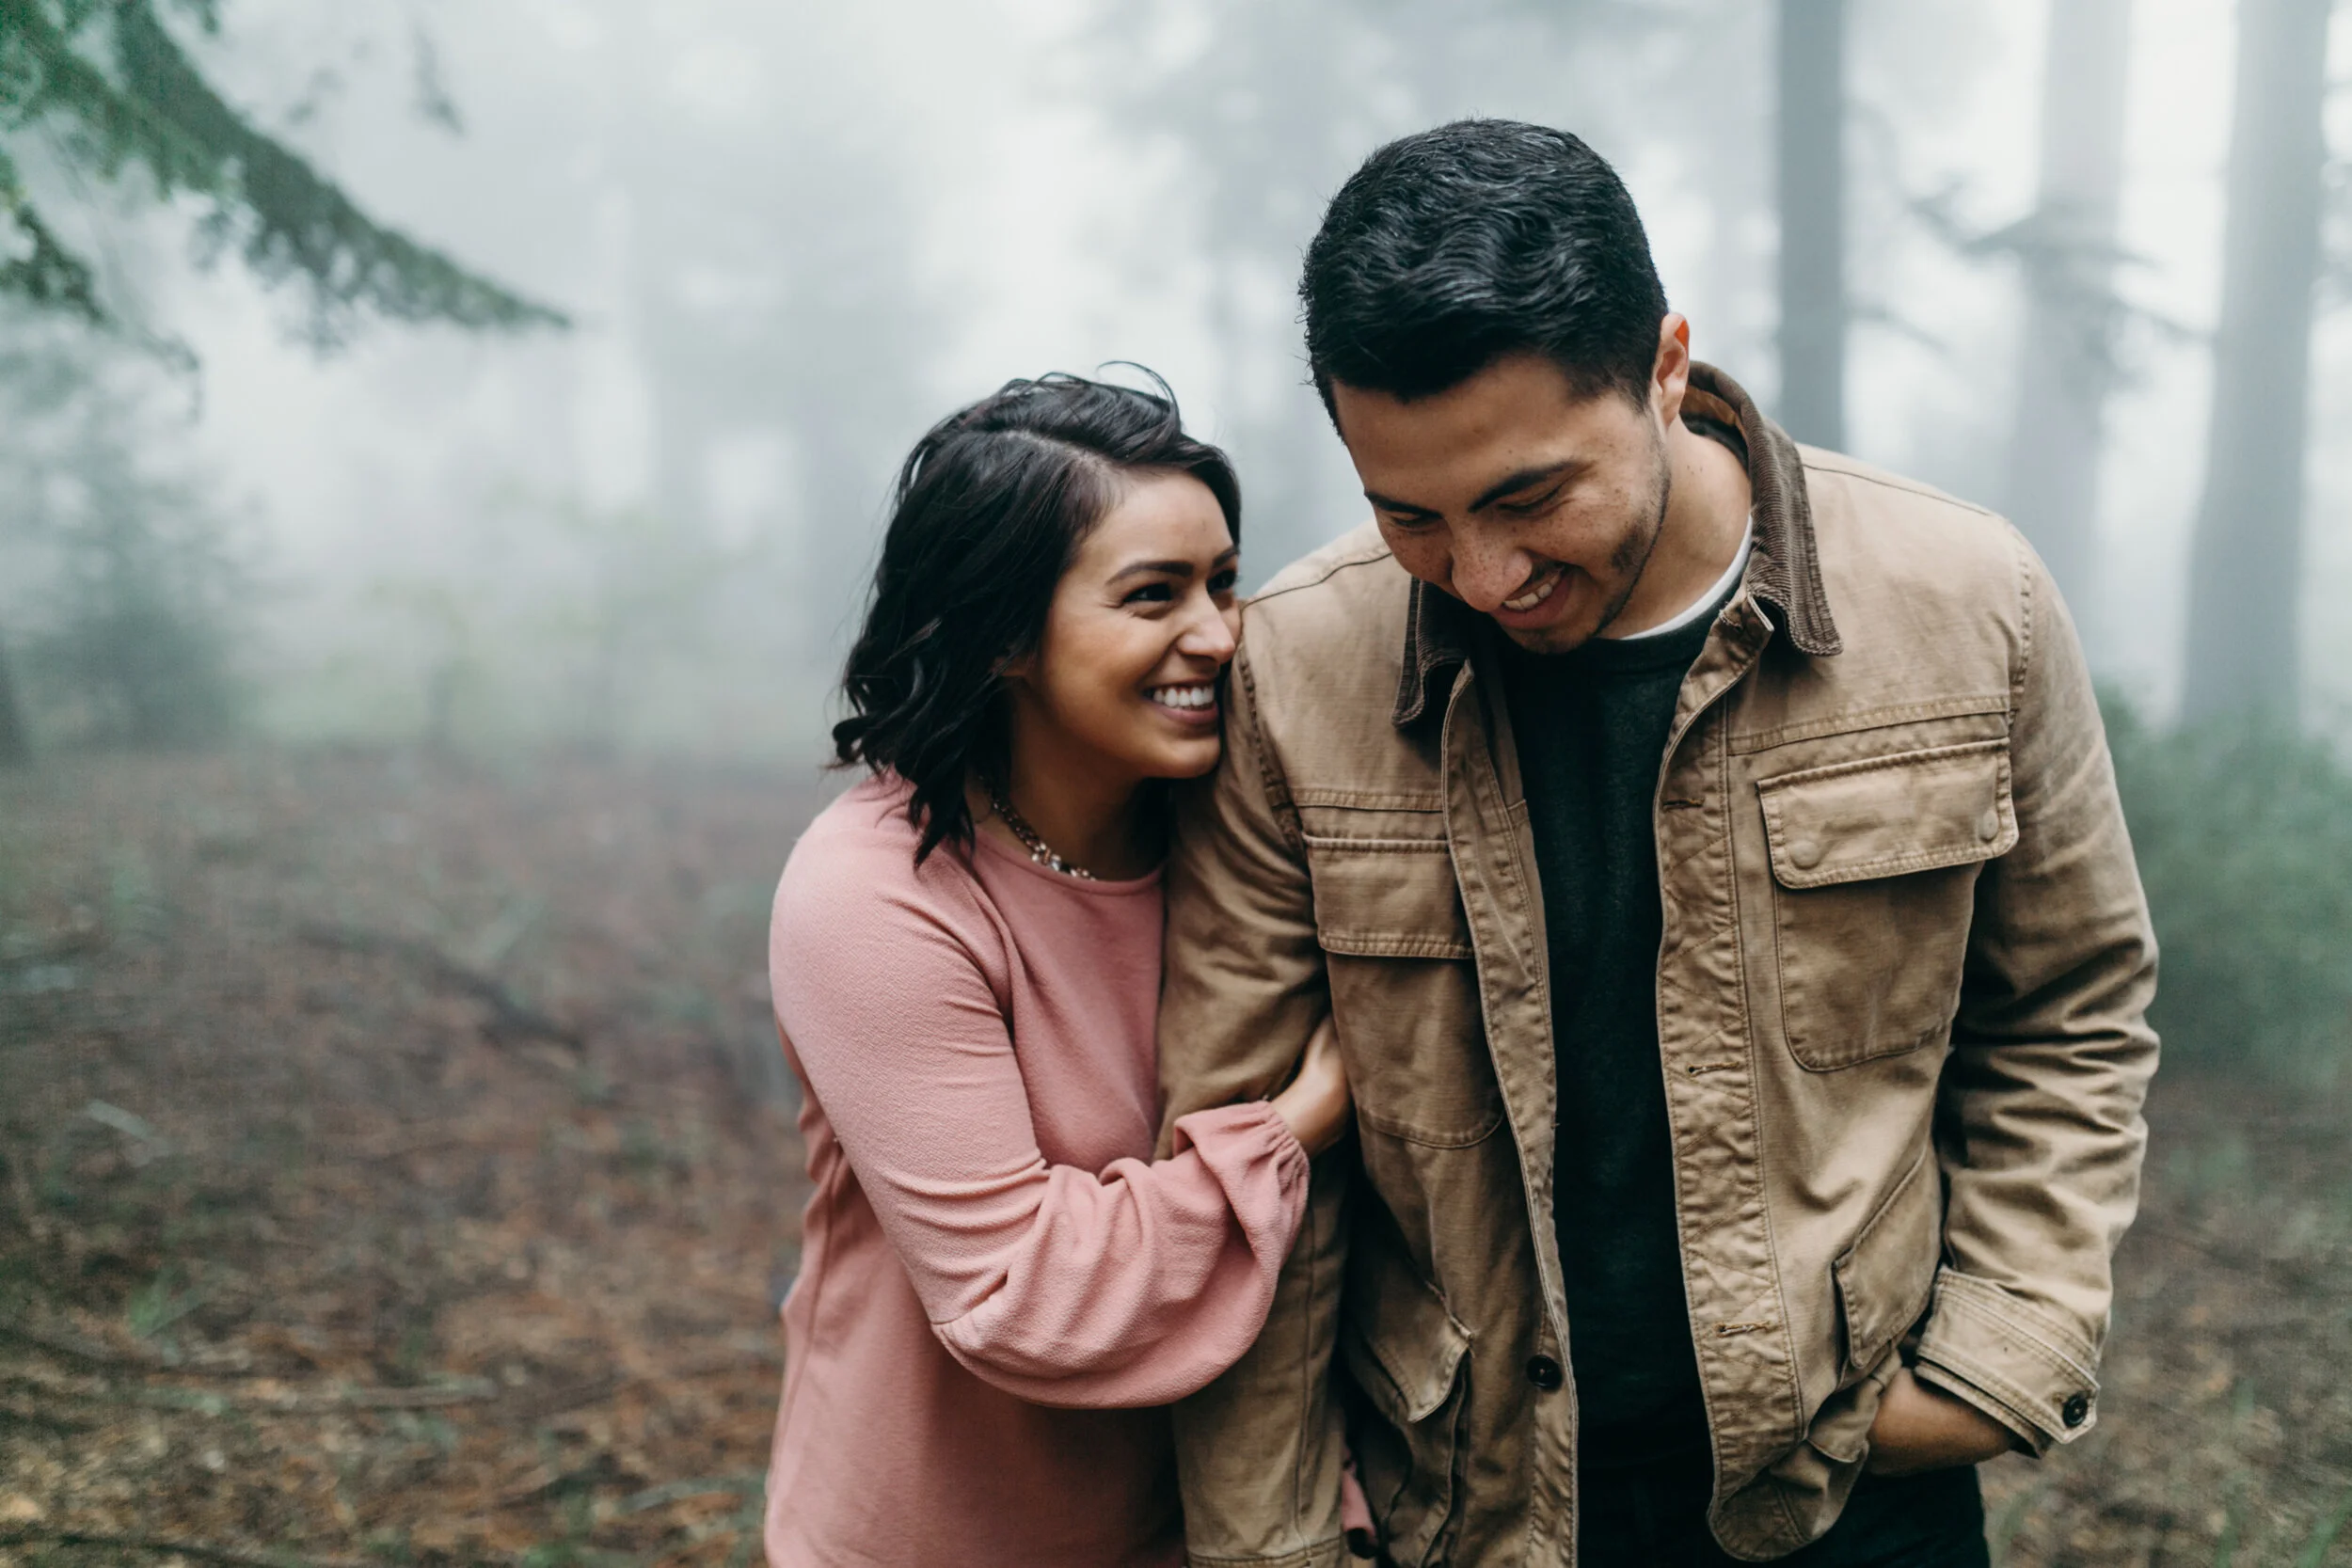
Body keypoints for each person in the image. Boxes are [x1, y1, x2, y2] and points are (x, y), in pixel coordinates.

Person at [1155, 120, 2158, 1567]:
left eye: (1530, 496)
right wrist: (1275, 1547)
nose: (1484, 574)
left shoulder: (1966, 602)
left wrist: (1999, 1352)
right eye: (1409, 514)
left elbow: (2069, 1007)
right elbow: (1251, 1164)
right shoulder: (1296, 671)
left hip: (1856, 1494)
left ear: (1667, 366)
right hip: (1463, 1508)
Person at [761, 372, 1355, 1568]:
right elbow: (1014, 1288)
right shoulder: (878, 896)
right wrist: (1297, 1122)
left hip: (1209, 1522)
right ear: (1004, 635)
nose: (1218, 634)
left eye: (1223, 582)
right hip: (933, 1537)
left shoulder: (1237, 838)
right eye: (1152, 595)